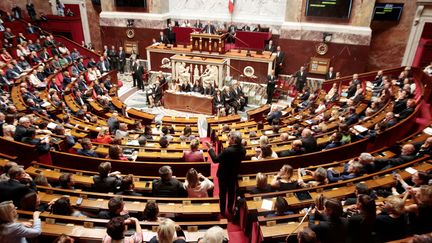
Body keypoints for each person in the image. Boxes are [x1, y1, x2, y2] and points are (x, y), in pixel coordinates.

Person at [205, 131, 246, 216]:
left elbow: (215, 159)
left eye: (230, 137)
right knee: (231, 192)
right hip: (234, 174)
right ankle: (230, 209)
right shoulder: (243, 150)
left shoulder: (228, 151)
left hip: (223, 175)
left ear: (234, 140)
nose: (228, 139)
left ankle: (222, 211)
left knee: (222, 193)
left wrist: (210, 148)